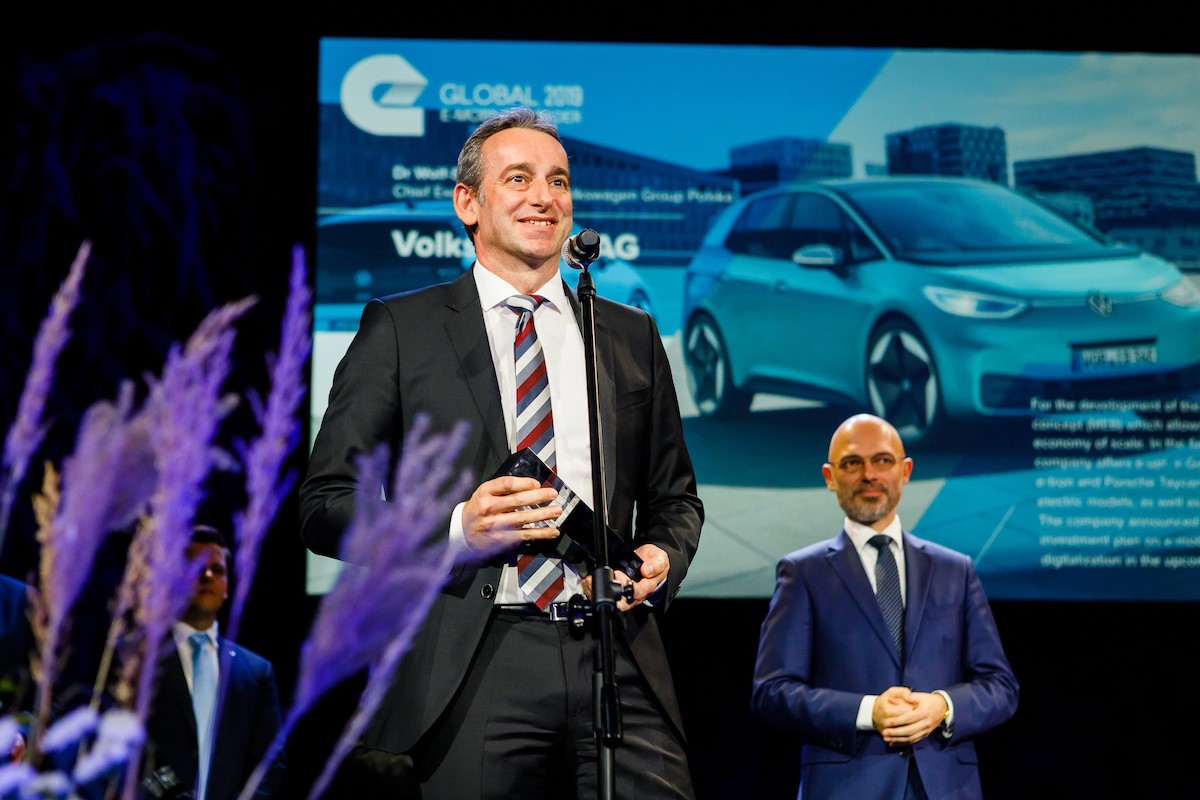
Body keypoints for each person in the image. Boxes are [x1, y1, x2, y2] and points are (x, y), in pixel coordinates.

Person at [299, 105, 704, 800]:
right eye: (518, 178)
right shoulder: (402, 328)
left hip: (618, 654)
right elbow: (325, 504)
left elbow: (676, 498)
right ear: (469, 203)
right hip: (477, 657)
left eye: (559, 181)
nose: (545, 197)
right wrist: (457, 529)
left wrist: (664, 556)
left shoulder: (630, 334)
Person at [751, 413, 1018, 800]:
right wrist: (867, 711)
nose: (869, 475)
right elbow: (772, 692)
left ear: (905, 470)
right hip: (846, 787)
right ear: (829, 477)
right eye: (852, 463)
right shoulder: (802, 573)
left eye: (882, 460)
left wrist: (942, 706)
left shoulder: (955, 570)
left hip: (945, 787)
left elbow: (1000, 686)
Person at [141, 526, 283, 800]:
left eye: (217, 570)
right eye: (196, 568)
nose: (208, 576)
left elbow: (269, 761)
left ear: (227, 586)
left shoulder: (255, 672)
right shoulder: (138, 658)